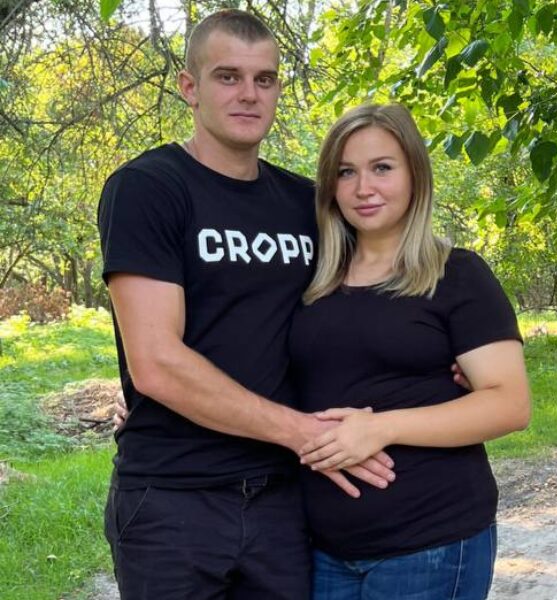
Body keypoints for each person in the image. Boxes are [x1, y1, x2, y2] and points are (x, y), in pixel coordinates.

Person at [96, 10, 395, 599]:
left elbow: (371, 300)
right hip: (174, 498)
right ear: (190, 87)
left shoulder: (307, 203)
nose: (249, 94)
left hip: (284, 498)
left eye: (265, 79)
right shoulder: (149, 188)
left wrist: (449, 355)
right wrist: (302, 433)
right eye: (228, 76)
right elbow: (155, 363)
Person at [288, 103, 532, 599]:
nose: (363, 188)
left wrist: (382, 427)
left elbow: (510, 404)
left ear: (415, 174)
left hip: (430, 543)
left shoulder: (456, 274)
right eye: (346, 172)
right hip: (325, 550)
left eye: (382, 168)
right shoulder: (311, 280)